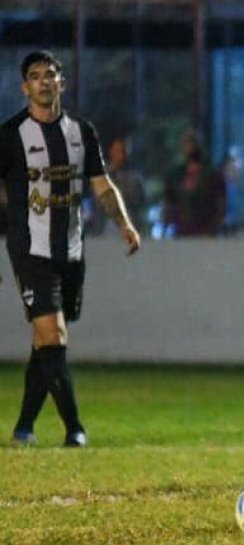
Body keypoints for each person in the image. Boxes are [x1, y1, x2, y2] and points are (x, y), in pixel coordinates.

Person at [1, 50, 141, 447]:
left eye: (51, 74)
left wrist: (124, 224)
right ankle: (74, 427)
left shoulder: (82, 132)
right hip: (29, 248)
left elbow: (100, 185)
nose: (44, 81)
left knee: (46, 342)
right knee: (53, 334)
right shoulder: (10, 135)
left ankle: (24, 426)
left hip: (71, 250)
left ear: (62, 83)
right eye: (35, 76)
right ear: (25, 87)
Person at [162, 129, 226, 237]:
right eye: (186, 143)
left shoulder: (212, 174)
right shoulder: (176, 174)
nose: (189, 146)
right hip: (181, 231)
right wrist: (165, 227)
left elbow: (220, 203)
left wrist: (213, 228)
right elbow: (169, 202)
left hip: (205, 230)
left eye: (192, 142)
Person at [106, 137, 148, 236]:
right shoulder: (103, 176)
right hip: (109, 226)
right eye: (118, 151)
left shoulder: (135, 178)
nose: (121, 155)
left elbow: (139, 201)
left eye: (123, 151)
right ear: (111, 152)